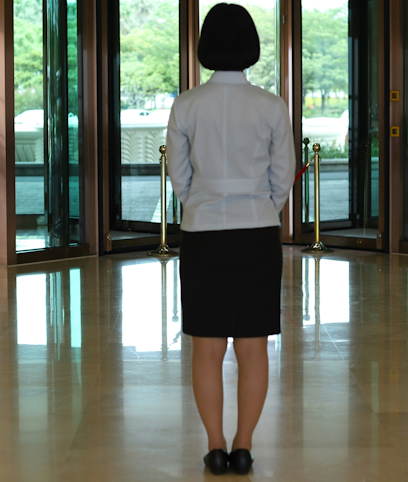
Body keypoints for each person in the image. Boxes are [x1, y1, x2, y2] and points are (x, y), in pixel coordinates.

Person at [165, 3, 295, 476]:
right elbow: (282, 177)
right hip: (257, 233)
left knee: (207, 347)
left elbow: (178, 174)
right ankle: (243, 446)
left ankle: (215, 446)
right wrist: (262, 207)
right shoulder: (270, 105)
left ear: (205, 46)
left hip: (203, 236)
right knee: (252, 346)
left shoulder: (187, 104)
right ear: (250, 47)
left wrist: (199, 202)